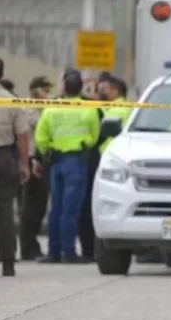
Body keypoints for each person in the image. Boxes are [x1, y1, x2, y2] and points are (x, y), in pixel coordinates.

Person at [34, 72, 100, 264]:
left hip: (55, 161)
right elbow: (94, 136)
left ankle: (53, 252)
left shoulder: (52, 108)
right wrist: (84, 145)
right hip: (76, 160)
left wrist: (47, 153)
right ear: (80, 88)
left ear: (63, 88)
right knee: (71, 210)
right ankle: (68, 252)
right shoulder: (88, 109)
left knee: (56, 208)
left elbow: (40, 137)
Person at [0, 57, 31, 276]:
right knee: (5, 211)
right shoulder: (11, 100)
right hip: (3, 158)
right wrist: (24, 164)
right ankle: (8, 263)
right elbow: (23, 136)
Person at [18, 76, 54, 260]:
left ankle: (31, 245)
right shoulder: (29, 110)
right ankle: (28, 246)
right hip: (32, 161)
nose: (48, 94)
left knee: (39, 207)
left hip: (41, 161)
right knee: (31, 207)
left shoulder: (44, 109)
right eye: (45, 91)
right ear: (36, 91)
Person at [78, 70, 106, 261]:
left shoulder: (95, 108)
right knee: (87, 208)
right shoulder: (95, 109)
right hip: (91, 163)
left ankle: (89, 250)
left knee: (86, 208)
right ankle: (89, 250)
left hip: (89, 163)